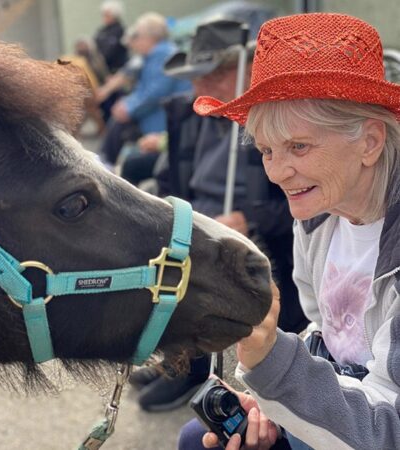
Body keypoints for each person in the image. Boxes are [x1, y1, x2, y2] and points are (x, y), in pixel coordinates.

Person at [180, 13, 400, 449]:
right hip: (350, 399)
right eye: (266, 150)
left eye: (298, 146)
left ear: (370, 142)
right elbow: (327, 331)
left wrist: (275, 367)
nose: (278, 172)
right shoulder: (320, 213)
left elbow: (389, 429)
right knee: (201, 439)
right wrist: (268, 401)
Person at [129, 19, 307, 413]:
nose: (198, 88)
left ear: (244, 71)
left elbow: (306, 210)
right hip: (197, 216)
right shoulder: (192, 114)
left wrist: (248, 218)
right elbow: (169, 176)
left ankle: (195, 371)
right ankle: (178, 358)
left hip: (256, 236)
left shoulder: (277, 124)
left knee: (197, 273)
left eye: (211, 75)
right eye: (195, 77)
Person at [99, 12, 191, 166]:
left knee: (120, 132)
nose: (135, 40)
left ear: (150, 37)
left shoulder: (163, 54)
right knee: (117, 125)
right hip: (158, 122)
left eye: (138, 35)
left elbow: (155, 93)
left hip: (162, 128)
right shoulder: (157, 54)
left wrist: (127, 107)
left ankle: (106, 165)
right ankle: (106, 163)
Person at [95, 0, 129, 74]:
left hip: (116, 70)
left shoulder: (120, 30)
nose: (104, 17)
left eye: (107, 14)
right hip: (103, 70)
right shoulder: (102, 31)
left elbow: (110, 51)